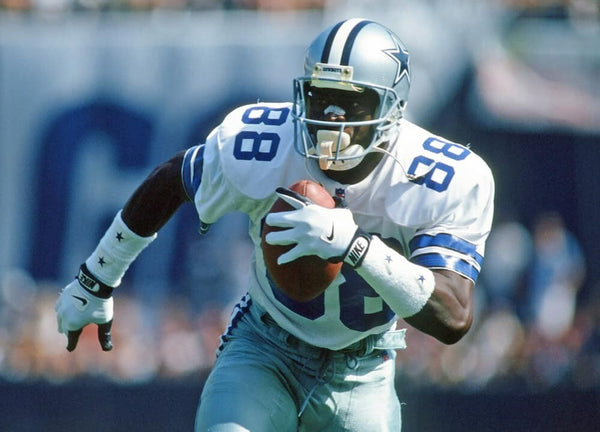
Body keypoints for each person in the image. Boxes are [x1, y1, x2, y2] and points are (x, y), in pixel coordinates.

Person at [55, 18, 494, 431]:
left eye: (351, 102)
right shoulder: (266, 143)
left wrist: (354, 245)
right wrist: (96, 278)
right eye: (321, 97)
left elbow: (453, 316)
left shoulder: (438, 177)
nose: (332, 118)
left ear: (392, 107)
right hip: (266, 347)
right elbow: (173, 179)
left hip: (363, 370)